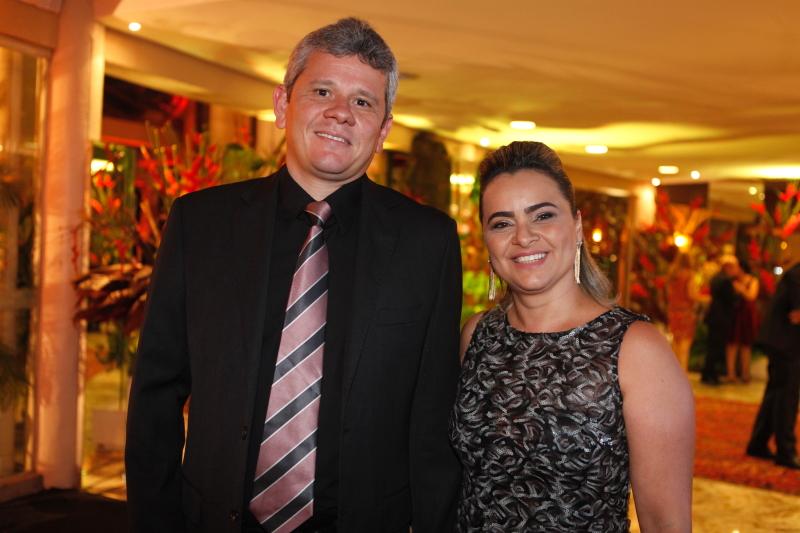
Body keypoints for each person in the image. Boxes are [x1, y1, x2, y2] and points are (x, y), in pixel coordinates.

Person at [125, 18, 462, 533]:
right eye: (322, 91)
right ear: (282, 105)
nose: (341, 112)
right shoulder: (201, 223)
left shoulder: (427, 242)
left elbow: (432, 417)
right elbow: (157, 391)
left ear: (383, 130)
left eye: (363, 101)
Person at [449, 141, 694, 531]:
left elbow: (666, 522)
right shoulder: (478, 335)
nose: (523, 237)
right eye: (502, 223)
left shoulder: (635, 348)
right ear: (486, 239)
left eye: (543, 216)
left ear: (576, 225)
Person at [746, 252, 800, 469]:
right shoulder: (797, 275)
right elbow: (797, 315)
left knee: (776, 394)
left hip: (782, 343)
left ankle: (758, 443)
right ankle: (786, 451)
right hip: (786, 344)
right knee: (787, 397)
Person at [701, 254, 739, 385]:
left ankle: (707, 373)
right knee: (716, 347)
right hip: (721, 317)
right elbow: (730, 299)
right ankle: (711, 375)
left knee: (711, 346)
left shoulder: (716, 278)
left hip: (714, 316)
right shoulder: (725, 280)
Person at [725, 259, 760, 382]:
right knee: (732, 344)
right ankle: (731, 373)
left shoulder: (752, 281)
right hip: (735, 314)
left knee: (746, 345)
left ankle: (745, 373)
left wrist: (741, 289)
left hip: (746, 315)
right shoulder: (732, 281)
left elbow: (752, 296)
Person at [667, 253, 702, 371]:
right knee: (685, 346)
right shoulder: (689, 275)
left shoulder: (672, 275)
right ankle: (682, 375)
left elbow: (668, 294)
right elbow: (692, 294)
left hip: (673, 312)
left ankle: (673, 374)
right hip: (686, 312)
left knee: (675, 344)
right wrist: (704, 298)